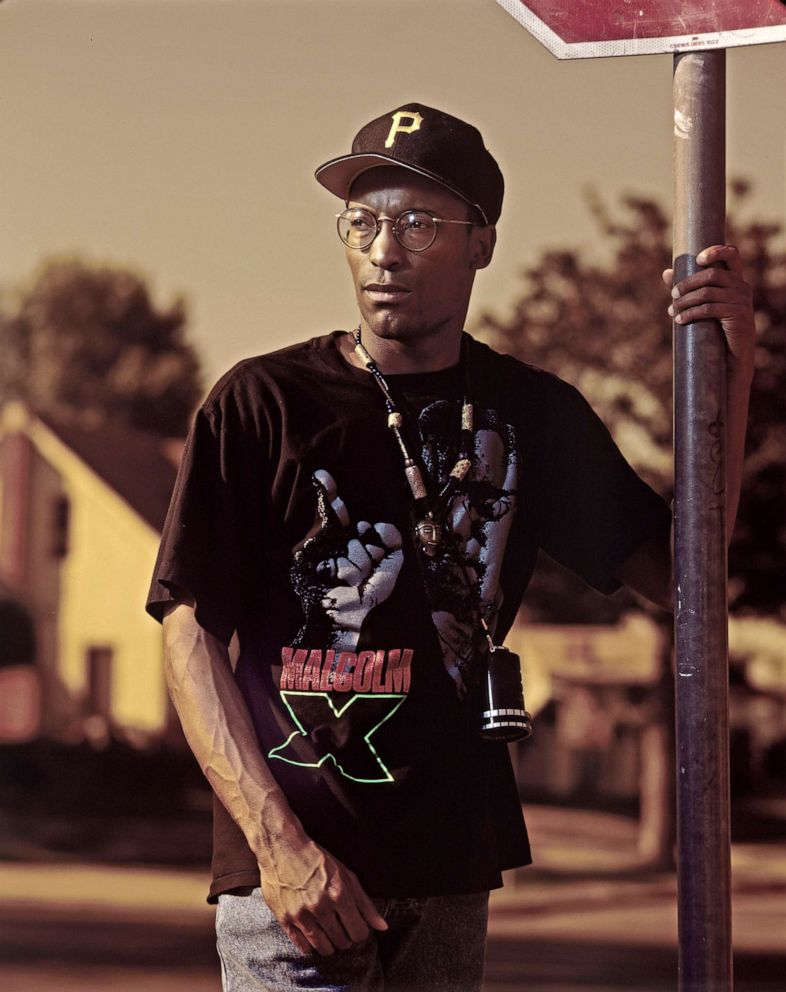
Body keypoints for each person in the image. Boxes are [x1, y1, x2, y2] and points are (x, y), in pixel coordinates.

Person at [146, 102, 755, 991]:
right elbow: (187, 630)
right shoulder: (262, 403)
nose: (384, 251)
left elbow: (685, 576)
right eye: (363, 222)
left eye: (419, 224)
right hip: (298, 879)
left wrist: (732, 377)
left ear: (482, 243)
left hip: (450, 863)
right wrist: (278, 849)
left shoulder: (536, 414)